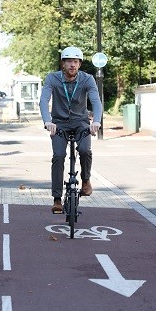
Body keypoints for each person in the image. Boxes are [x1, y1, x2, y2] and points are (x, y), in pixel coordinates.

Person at [39, 46, 102, 213]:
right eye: (68, 62)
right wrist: (47, 121)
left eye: (75, 61)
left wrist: (95, 121)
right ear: (63, 64)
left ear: (80, 64)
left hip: (81, 122)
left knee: (85, 150)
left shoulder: (87, 79)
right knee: (58, 156)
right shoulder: (52, 78)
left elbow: (96, 102)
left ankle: (86, 180)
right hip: (58, 123)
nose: (72, 65)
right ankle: (57, 198)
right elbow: (44, 101)